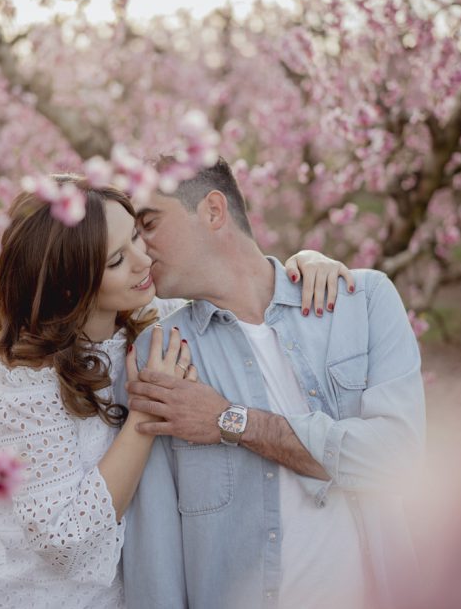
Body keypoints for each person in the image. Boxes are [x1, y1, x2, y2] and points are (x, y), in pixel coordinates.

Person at [0, 174, 351, 608]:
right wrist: (145, 417)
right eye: (116, 260)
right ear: (69, 282)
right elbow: (64, 543)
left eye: (136, 235)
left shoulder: (146, 319)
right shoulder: (27, 384)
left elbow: (240, 287)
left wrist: (305, 264)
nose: (142, 259)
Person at [119, 157, 426, 609]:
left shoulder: (362, 302)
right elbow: (156, 548)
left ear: (213, 211)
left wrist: (230, 421)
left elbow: (398, 458)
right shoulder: (159, 354)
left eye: (148, 225)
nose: (141, 251)